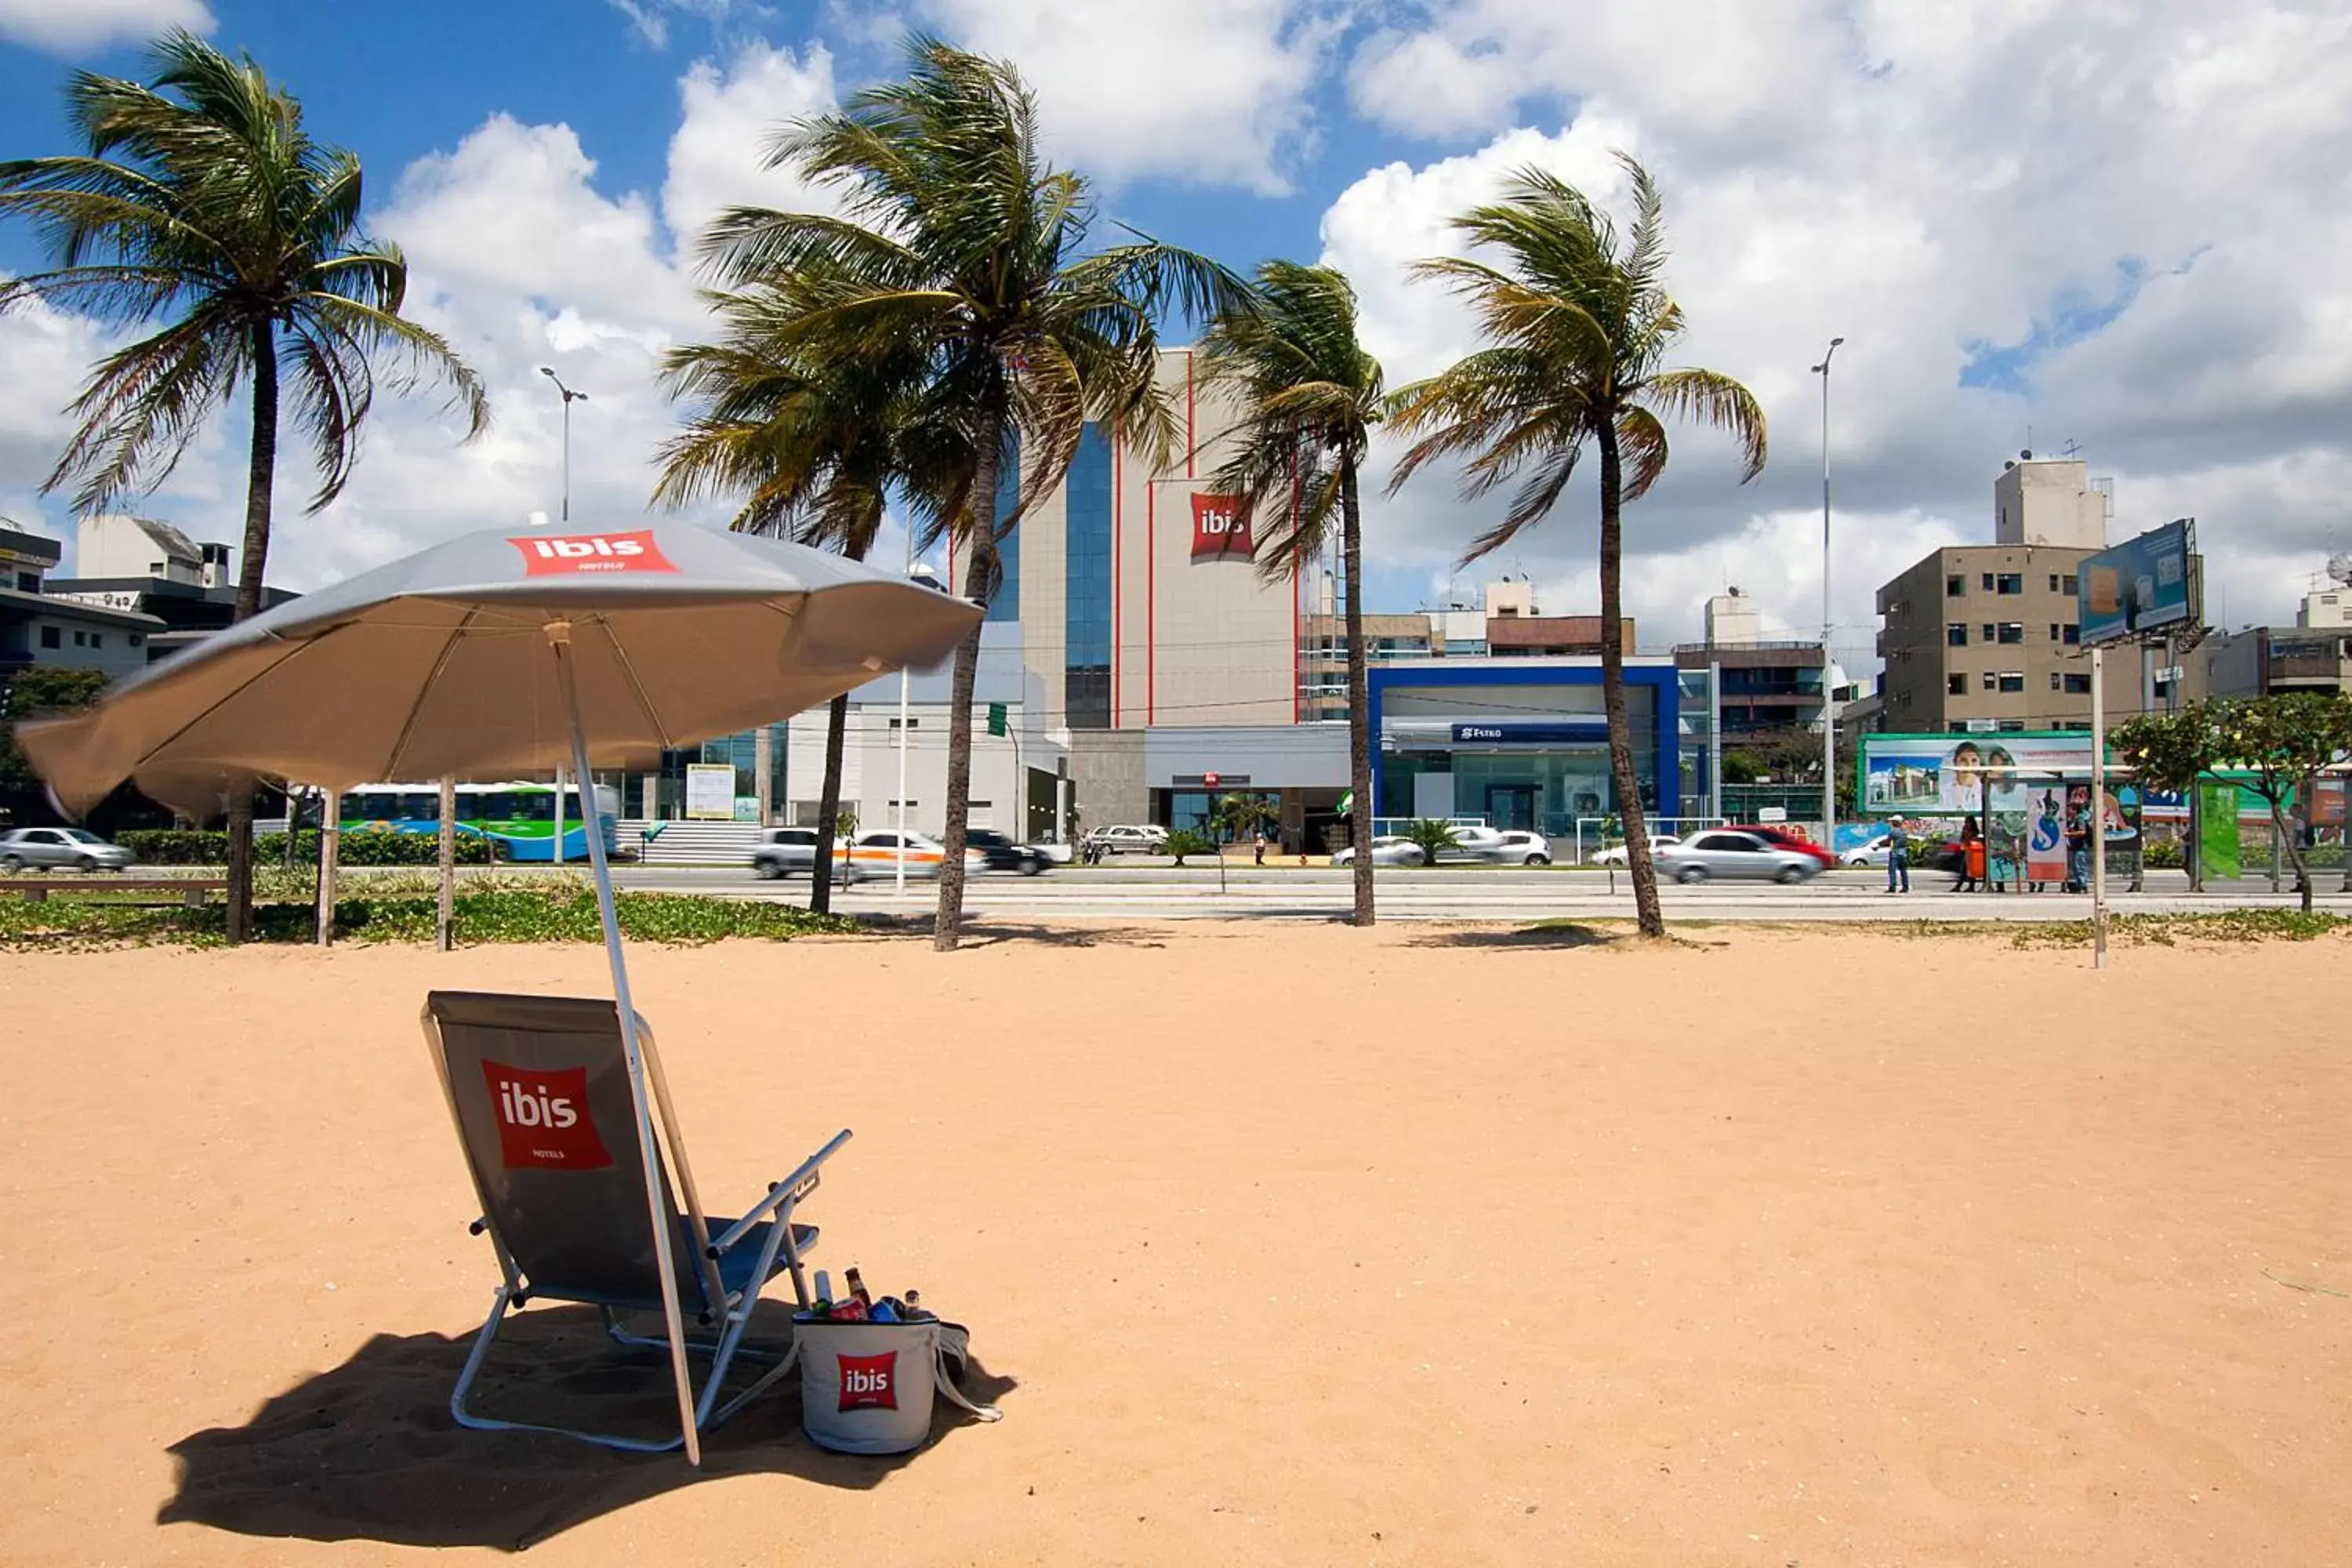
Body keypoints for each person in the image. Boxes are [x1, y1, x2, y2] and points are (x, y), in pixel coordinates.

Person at [1956, 817, 1983, 892]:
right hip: (1967, 850)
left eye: (1968, 822)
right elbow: (1962, 839)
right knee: (1965, 869)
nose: (1967, 824)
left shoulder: (1974, 831)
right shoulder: (1966, 829)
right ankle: (1965, 886)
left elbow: (1973, 839)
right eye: (1966, 822)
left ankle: (1964, 886)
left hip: (1971, 851)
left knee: (1968, 869)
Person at [1885, 816, 1911, 893]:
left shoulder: (1893, 832)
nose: (1892, 823)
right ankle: (1905, 887)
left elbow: (1887, 842)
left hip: (1895, 853)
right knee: (1903, 871)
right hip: (1903, 853)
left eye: (1893, 822)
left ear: (1896, 822)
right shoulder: (1904, 832)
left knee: (1892, 871)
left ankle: (1892, 887)